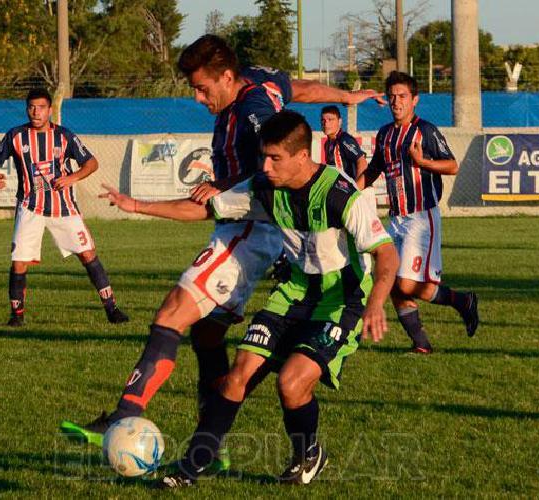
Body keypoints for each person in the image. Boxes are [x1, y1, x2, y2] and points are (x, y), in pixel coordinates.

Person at [59, 35, 385, 469]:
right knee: (207, 334)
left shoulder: (252, 114)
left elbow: (275, 159)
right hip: (253, 227)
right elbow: (299, 88)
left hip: (247, 229)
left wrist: (230, 185)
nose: (198, 98)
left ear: (227, 77)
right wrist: (347, 96)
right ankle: (212, 447)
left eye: (202, 88)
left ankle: (124, 415)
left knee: (173, 311)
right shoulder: (260, 81)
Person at [98, 110, 398, 488]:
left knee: (291, 383)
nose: (266, 166)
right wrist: (136, 205)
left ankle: (308, 453)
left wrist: (375, 305)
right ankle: (190, 470)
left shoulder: (341, 196)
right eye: (263, 157)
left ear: (302, 157)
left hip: (340, 301)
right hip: (293, 293)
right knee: (236, 375)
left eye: (275, 158)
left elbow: (386, 253)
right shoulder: (264, 187)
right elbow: (205, 208)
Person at [0, 88, 129, 327]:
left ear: (50, 110)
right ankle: (16, 316)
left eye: (41, 107)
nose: (35, 112)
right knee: (19, 261)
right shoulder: (16, 136)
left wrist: (72, 178)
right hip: (30, 207)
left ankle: (112, 309)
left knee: (88, 254)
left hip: (64, 208)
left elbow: (91, 163)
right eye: (31, 107)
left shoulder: (64, 136)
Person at [361, 71, 480, 354]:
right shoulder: (385, 134)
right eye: (392, 97)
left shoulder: (424, 130)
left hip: (421, 217)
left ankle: (462, 301)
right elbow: (374, 169)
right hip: (396, 218)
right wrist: (349, 195)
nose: (396, 102)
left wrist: (422, 161)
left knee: (404, 282)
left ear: (415, 100)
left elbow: (452, 165)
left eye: (402, 96)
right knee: (390, 280)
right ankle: (421, 344)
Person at [319, 105, 368, 181]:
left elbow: (362, 163)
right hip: (342, 188)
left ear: (340, 121)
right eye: (323, 120)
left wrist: (356, 188)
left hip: (357, 190)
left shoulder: (345, 140)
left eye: (330, 120)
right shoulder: (327, 144)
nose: (326, 124)